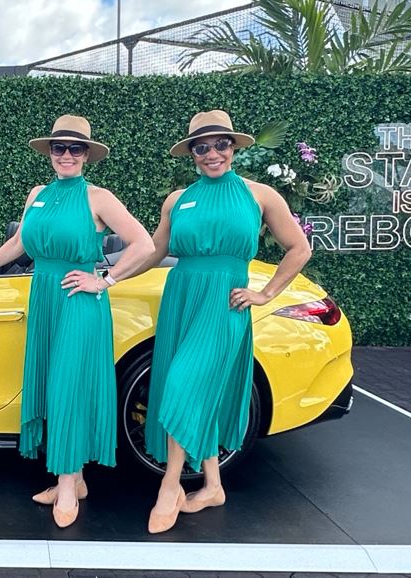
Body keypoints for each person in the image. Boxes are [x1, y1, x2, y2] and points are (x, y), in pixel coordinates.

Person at [0, 115, 153, 528]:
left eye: (76, 149)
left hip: (78, 302)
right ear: (50, 152)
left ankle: (69, 483)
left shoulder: (99, 197)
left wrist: (105, 279)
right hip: (44, 298)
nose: (67, 155)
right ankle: (71, 479)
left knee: (68, 390)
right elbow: (21, 241)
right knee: (50, 387)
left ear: (87, 155)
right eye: (60, 148)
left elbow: (144, 243)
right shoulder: (37, 193)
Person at [141, 110, 311, 533]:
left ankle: (170, 483)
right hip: (182, 297)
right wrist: (105, 279)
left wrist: (265, 294)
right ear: (192, 154)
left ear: (234, 147)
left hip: (224, 305)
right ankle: (213, 486)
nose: (212, 153)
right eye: (202, 147)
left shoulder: (261, 195)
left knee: (184, 384)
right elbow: (154, 252)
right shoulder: (177, 199)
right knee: (197, 392)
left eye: (220, 144)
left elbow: (299, 248)